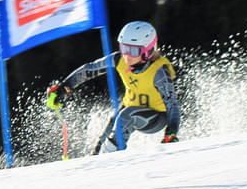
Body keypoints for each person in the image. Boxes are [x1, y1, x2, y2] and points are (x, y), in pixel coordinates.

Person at [46, 21, 180, 154]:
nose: (127, 55)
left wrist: (171, 132)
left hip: (156, 118)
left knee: (125, 116)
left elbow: (172, 105)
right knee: (111, 126)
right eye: (124, 48)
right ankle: (95, 158)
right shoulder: (119, 59)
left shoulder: (158, 72)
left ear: (148, 50)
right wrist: (64, 87)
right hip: (128, 109)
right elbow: (89, 70)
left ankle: (110, 160)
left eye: (133, 51)